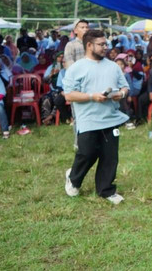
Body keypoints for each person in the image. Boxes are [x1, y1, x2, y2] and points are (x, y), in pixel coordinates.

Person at [62, 30, 129, 205]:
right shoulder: (76, 68)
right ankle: (73, 178)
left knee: (110, 156)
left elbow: (125, 87)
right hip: (88, 119)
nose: (105, 47)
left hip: (111, 117)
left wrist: (120, 94)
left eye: (106, 44)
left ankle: (106, 190)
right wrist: (92, 97)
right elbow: (69, 95)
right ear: (89, 45)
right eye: (101, 44)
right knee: (87, 152)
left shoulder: (113, 66)